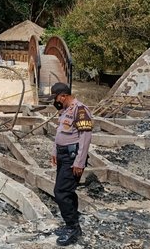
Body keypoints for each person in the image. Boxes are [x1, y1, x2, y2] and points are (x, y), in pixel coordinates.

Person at [48, 82, 93, 246]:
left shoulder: (80, 110)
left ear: (63, 96)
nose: (55, 101)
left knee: (60, 192)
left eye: (56, 98)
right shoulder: (65, 110)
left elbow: (85, 137)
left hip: (72, 157)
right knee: (68, 191)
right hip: (62, 155)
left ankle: (73, 227)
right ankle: (72, 223)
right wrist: (55, 151)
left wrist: (79, 162)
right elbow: (60, 132)